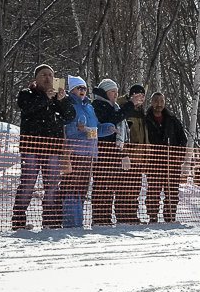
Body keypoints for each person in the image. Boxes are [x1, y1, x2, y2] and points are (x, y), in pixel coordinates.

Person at [12, 64, 76, 230]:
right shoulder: (26, 94)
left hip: (53, 149)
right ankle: (18, 221)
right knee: (27, 184)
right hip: (31, 147)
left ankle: (50, 221)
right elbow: (27, 108)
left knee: (53, 185)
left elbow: (70, 116)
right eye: (44, 75)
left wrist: (62, 101)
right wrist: (45, 99)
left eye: (50, 75)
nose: (48, 78)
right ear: (36, 78)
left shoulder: (59, 96)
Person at [61, 77, 110, 228]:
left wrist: (107, 128)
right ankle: (70, 222)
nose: (82, 91)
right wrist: (88, 131)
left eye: (84, 88)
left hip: (89, 154)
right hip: (75, 153)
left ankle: (78, 220)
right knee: (71, 188)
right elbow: (70, 129)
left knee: (82, 189)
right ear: (72, 90)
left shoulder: (89, 107)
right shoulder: (69, 104)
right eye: (79, 88)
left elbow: (95, 129)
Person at [144, 92, 187, 222]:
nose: (159, 104)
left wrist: (179, 156)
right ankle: (152, 216)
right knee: (153, 191)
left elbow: (182, 140)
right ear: (151, 102)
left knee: (172, 191)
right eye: (156, 101)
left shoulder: (172, 119)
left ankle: (170, 216)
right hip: (154, 162)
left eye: (161, 101)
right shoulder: (146, 119)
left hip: (172, 162)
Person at [91, 78, 127, 225]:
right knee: (101, 184)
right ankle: (99, 216)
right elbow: (109, 120)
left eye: (117, 92)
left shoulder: (116, 107)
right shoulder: (99, 105)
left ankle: (106, 215)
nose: (115, 95)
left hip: (114, 151)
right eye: (112, 92)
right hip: (102, 150)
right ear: (105, 93)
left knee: (111, 184)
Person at [117, 85, 148, 223]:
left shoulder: (142, 112)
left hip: (139, 157)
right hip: (126, 156)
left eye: (143, 95)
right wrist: (123, 153)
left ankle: (132, 215)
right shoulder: (123, 108)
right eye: (139, 94)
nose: (141, 97)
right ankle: (122, 215)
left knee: (135, 188)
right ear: (132, 95)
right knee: (124, 188)